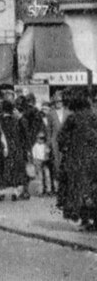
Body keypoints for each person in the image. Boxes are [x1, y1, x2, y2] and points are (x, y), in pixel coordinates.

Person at [56, 87, 97, 231]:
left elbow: (61, 138)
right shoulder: (93, 116)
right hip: (93, 159)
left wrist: (66, 148)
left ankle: (85, 220)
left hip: (77, 160)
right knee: (92, 190)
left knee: (78, 190)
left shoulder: (72, 118)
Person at [0, 98, 29, 200]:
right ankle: (16, 192)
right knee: (16, 170)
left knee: (3, 170)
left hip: (2, 148)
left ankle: (1, 192)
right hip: (15, 147)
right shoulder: (15, 121)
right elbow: (25, 133)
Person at [46, 92, 68, 194]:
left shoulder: (68, 113)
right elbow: (49, 130)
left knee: (66, 163)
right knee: (56, 164)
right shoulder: (51, 114)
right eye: (56, 101)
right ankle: (58, 187)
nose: (58, 103)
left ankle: (66, 186)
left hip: (66, 142)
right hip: (55, 142)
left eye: (60, 101)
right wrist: (48, 144)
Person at [32, 130, 52, 196]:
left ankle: (49, 189)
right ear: (37, 138)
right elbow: (34, 156)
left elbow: (48, 152)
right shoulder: (35, 146)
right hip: (38, 162)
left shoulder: (45, 146)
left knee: (47, 175)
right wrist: (35, 162)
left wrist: (47, 151)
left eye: (43, 138)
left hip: (45, 162)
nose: (42, 140)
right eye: (40, 138)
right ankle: (41, 191)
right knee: (40, 177)